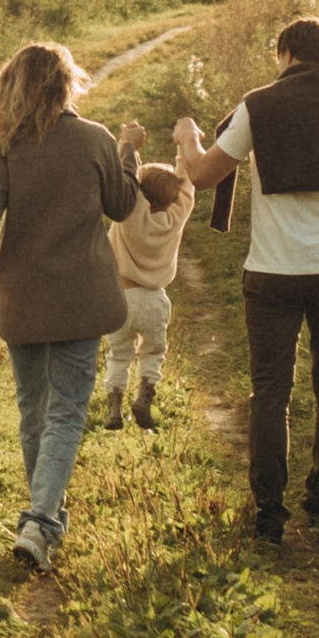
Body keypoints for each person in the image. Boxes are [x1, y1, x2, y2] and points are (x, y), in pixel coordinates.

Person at [173, 15, 319, 543]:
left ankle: (270, 514)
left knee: (271, 392)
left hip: (272, 274)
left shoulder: (259, 105)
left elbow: (203, 174)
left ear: (287, 55)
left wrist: (187, 138)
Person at [0, 39, 137, 575]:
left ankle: (42, 519)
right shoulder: (95, 139)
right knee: (66, 411)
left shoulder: (7, 148)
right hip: (81, 300)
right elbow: (122, 205)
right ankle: (42, 521)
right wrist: (129, 156)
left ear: (16, 87)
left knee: (34, 410)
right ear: (66, 84)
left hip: (23, 301)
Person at [103, 127, 191, 430]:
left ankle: (114, 406)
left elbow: (127, 180)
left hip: (120, 299)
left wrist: (129, 145)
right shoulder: (175, 218)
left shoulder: (129, 212)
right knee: (153, 352)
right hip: (154, 300)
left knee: (119, 354)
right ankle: (145, 396)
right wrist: (183, 145)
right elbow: (188, 186)